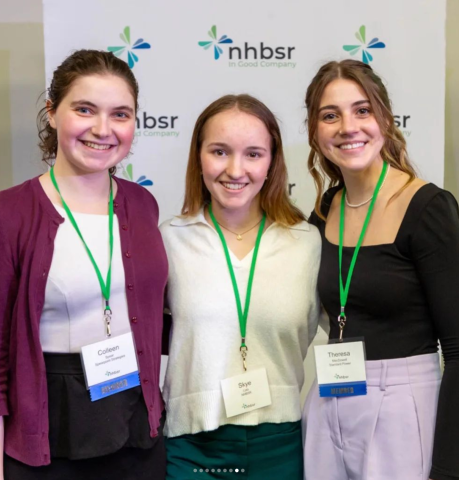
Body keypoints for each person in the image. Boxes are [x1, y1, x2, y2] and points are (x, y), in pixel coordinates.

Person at [0, 50, 167, 480]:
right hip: (49, 436)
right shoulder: (5, 216)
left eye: (120, 114)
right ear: (52, 111)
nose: (103, 129)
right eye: (85, 109)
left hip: (136, 432)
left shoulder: (142, 205)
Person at [302, 59, 459, 480]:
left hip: (403, 408)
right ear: (315, 132)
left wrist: (448, 466)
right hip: (328, 400)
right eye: (329, 116)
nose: (347, 127)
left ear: (385, 120)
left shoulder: (427, 209)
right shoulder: (320, 214)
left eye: (362, 110)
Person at [160, 94, 321, 479]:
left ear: (272, 162)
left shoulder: (307, 242)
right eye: (219, 151)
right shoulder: (168, 240)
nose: (235, 169)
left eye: (253, 154)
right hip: (189, 444)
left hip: (279, 443)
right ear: (198, 157)